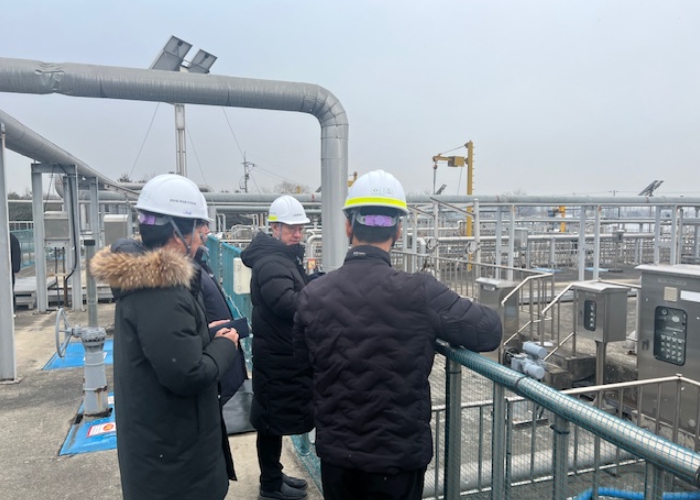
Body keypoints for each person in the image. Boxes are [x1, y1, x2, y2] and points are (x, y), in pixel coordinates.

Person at [293, 170, 503, 500]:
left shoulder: (313, 295)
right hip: (398, 459)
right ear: (399, 230)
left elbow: (302, 369)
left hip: (338, 456)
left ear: (348, 227)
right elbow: (489, 332)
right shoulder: (420, 291)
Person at [90, 174, 240, 500]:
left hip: (158, 450)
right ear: (176, 233)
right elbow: (187, 372)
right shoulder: (162, 290)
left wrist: (205, 335)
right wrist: (225, 345)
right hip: (176, 465)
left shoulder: (144, 281)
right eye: (197, 231)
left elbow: (165, 346)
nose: (201, 240)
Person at [240, 195, 313, 500]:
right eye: (291, 228)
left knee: (273, 418)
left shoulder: (281, 258)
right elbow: (286, 302)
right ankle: (270, 485)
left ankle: (273, 474)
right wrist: (319, 296)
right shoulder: (273, 262)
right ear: (275, 228)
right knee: (271, 421)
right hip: (277, 355)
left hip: (278, 351)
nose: (297, 234)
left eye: (300, 228)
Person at [194, 220, 249, 408]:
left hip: (221, 364)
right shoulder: (186, 275)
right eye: (201, 225)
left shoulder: (199, 267)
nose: (207, 231)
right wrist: (212, 336)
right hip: (216, 371)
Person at [10, 232, 21, 312]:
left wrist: (15, 267)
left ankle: (12, 308)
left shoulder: (11, 238)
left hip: (8, 270)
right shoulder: (11, 238)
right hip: (8, 269)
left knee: (9, 290)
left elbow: (16, 253)